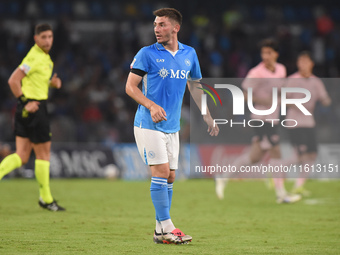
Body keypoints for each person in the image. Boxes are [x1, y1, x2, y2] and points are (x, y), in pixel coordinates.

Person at [126, 8, 219, 244]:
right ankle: (168, 227)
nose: (157, 29)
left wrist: (206, 114)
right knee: (160, 173)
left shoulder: (190, 54)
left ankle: (159, 232)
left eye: (162, 25)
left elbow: (195, 86)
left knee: (170, 177)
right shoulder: (147, 54)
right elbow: (130, 87)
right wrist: (150, 105)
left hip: (172, 127)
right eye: (155, 24)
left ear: (176, 27)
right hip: (148, 124)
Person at [215, 38, 301, 204]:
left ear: (276, 54)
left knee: (255, 156)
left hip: (273, 119)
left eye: (269, 52)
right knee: (276, 152)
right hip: (260, 119)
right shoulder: (256, 73)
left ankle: (223, 176)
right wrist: (265, 102)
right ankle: (281, 195)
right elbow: (245, 95)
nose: (265, 56)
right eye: (263, 52)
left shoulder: (281, 70)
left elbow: (279, 92)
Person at [0, 23, 65, 211]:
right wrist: (24, 100)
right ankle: (46, 198)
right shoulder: (34, 56)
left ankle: (46, 198)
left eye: (50, 37)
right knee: (43, 154)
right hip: (35, 108)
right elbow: (13, 80)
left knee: (21, 156)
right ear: (36, 39)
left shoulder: (44, 58)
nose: (47, 41)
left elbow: (34, 82)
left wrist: (51, 84)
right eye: (43, 37)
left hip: (26, 109)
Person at [286, 51, 331, 196]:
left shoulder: (316, 81)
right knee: (299, 156)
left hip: (309, 122)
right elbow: (283, 99)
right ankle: (275, 168)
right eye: (300, 62)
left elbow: (325, 98)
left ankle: (299, 185)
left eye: (306, 61)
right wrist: (298, 105)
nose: (303, 65)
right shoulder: (292, 80)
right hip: (295, 122)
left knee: (312, 155)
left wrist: (325, 101)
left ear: (311, 63)